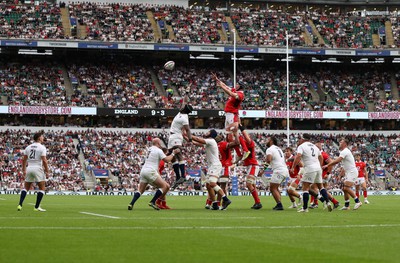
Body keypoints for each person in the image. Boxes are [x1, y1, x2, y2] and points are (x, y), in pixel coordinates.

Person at [128, 138, 180, 210]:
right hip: (150, 171)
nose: (161, 144)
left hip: (143, 171)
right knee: (164, 187)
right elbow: (167, 160)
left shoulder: (149, 149)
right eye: (160, 143)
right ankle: (153, 201)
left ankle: (131, 203)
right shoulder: (158, 150)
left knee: (141, 190)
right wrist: (173, 153)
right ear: (158, 143)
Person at [190, 130, 232, 210]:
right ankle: (214, 203)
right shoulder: (209, 142)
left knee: (212, 183)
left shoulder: (211, 140)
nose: (206, 132)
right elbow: (195, 142)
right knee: (208, 186)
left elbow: (198, 140)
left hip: (215, 165)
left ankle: (225, 199)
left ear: (211, 134)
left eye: (208, 131)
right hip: (212, 166)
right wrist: (185, 137)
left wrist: (188, 134)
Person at [291, 134, 332, 213]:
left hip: (310, 168)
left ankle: (305, 208)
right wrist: (319, 165)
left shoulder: (302, 146)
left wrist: (293, 167)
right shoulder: (314, 146)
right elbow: (321, 157)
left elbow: (298, 156)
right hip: (318, 168)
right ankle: (327, 202)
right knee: (321, 187)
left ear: (303, 139)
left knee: (305, 188)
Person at [212, 73, 249, 161]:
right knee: (229, 137)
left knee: (235, 135)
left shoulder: (240, 95)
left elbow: (230, 93)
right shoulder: (235, 91)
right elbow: (226, 87)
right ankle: (239, 154)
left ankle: (245, 150)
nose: (235, 85)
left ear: (240, 86)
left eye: (237, 84)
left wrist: (222, 87)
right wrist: (217, 80)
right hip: (228, 115)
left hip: (232, 115)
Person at [322, 138, 362, 210]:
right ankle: (347, 205)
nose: (339, 144)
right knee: (344, 188)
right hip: (349, 172)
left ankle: (358, 201)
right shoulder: (344, 152)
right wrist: (340, 175)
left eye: (341, 142)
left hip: (352, 172)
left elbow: (337, 161)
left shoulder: (345, 151)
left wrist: (327, 165)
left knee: (346, 188)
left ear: (345, 144)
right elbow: (344, 166)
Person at [205, 131, 239, 209]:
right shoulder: (213, 144)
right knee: (214, 185)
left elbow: (235, 143)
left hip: (223, 166)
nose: (217, 136)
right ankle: (213, 203)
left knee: (221, 186)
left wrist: (235, 135)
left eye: (219, 135)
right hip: (217, 167)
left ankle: (219, 204)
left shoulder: (223, 144)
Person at [17, 131, 50, 212]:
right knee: (42, 188)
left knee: (26, 188)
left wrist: (24, 170)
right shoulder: (42, 147)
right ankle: (36, 207)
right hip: (38, 168)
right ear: (39, 138)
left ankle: (20, 204)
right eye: (42, 137)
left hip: (29, 168)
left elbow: (24, 159)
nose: (43, 138)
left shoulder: (28, 147)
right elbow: (44, 161)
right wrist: (47, 171)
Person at [168, 98, 193, 189]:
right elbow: (183, 104)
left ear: (185, 110)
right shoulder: (181, 112)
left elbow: (187, 129)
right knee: (173, 157)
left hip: (176, 136)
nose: (182, 107)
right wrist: (185, 99)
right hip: (172, 136)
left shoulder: (184, 118)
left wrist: (190, 139)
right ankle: (178, 177)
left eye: (184, 107)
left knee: (178, 154)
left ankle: (183, 175)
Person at [238, 125, 262, 209]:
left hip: (253, 165)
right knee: (252, 185)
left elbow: (245, 136)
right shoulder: (245, 144)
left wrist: (240, 127)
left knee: (248, 184)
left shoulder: (251, 143)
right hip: (250, 166)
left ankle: (258, 202)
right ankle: (257, 202)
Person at [264, 136, 289, 210]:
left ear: (271, 141)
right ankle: (279, 204)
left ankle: (279, 204)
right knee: (275, 187)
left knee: (272, 188)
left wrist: (263, 170)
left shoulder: (269, 149)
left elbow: (268, 160)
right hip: (284, 170)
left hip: (279, 170)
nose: (266, 141)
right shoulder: (279, 149)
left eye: (267, 140)